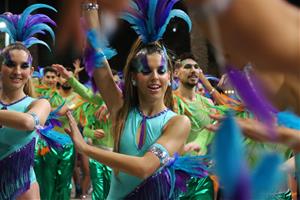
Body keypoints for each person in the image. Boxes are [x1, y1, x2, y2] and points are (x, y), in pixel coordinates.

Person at [66, 1, 207, 199]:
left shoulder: (178, 122)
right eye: (146, 71)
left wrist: (86, 148)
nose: (155, 77)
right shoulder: (119, 108)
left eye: (161, 70)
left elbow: (144, 168)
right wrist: (90, 6)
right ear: (133, 77)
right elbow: (95, 55)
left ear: (170, 77)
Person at [0, 4, 56, 199]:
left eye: (24, 66)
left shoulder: (39, 103)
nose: (17, 71)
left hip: (22, 190)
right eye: (10, 64)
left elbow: (28, 122)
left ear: (31, 72)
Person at [173, 52, 216, 199]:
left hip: (203, 176)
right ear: (176, 73)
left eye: (196, 67)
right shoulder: (170, 101)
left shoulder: (208, 104)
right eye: (188, 67)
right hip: (177, 177)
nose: (193, 70)